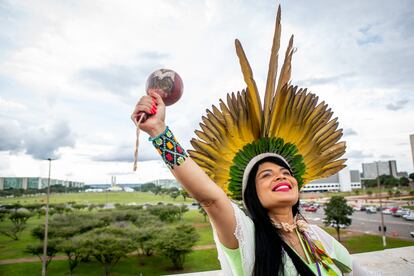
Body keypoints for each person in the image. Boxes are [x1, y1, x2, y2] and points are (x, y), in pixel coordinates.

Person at [131, 6, 372, 276]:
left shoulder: (320, 240)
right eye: (266, 174)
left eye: (285, 172)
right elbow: (210, 199)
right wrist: (159, 132)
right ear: (251, 195)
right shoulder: (246, 237)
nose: (281, 177)